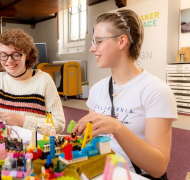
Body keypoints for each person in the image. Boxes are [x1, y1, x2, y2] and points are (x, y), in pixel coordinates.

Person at [72, 9, 177, 179]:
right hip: (100, 173)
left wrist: (117, 127)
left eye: (98, 41)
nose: (92, 49)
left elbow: (158, 167)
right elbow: (95, 143)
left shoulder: (156, 91)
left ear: (121, 41)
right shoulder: (97, 90)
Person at [0, 28, 65, 134]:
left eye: (16, 54)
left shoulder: (44, 80)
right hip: (5, 146)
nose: (9, 60)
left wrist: (22, 121)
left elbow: (59, 124)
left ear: (28, 55)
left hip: (36, 145)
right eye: (4, 55)